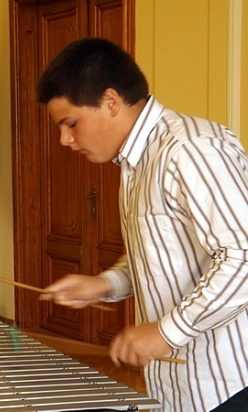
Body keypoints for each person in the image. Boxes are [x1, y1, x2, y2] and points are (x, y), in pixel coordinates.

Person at [37, 38, 248, 411]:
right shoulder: (135, 162)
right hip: (177, 385)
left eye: (71, 124)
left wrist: (165, 333)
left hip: (229, 382)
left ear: (111, 101)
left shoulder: (190, 149)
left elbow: (242, 258)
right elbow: (163, 257)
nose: (65, 140)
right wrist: (105, 284)